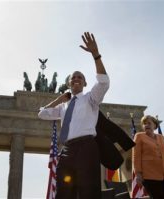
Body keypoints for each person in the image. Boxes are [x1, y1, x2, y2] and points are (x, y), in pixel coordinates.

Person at [38, 32, 109, 199]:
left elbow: (104, 82)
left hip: (87, 147)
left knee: (88, 191)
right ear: (68, 83)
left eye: (80, 77)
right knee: (64, 191)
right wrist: (58, 99)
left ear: (85, 83)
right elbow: (42, 113)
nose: (76, 79)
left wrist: (96, 55)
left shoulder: (91, 99)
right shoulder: (63, 106)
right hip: (67, 149)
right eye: (73, 77)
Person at [133, 115, 164, 199]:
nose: (146, 125)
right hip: (149, 176)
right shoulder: (139, 136)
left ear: (155, 125)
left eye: (149, 123)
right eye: (144, 123)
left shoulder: (161, 137)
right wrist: (138, 174)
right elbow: (136, 157)